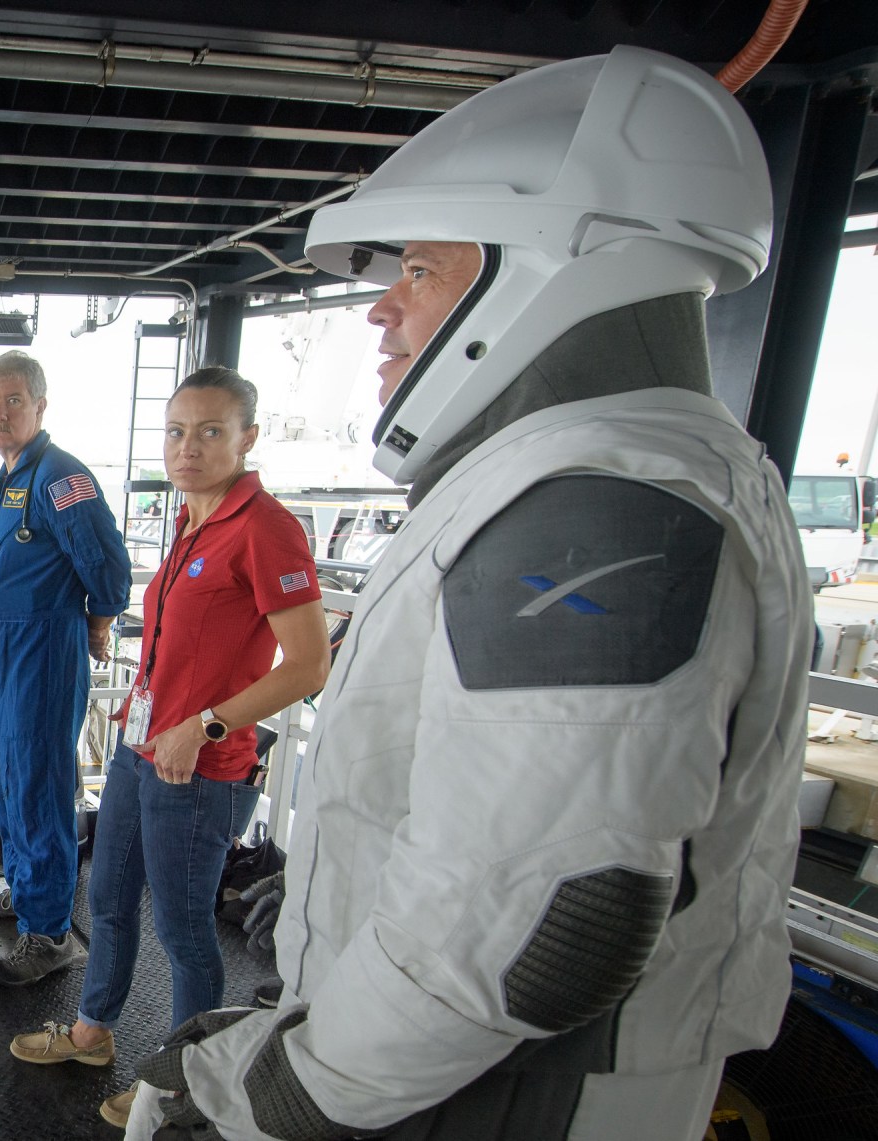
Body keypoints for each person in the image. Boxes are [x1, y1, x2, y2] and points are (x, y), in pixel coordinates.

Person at [125, 47, 807, 1141]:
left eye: (419, 272)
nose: (378, 312)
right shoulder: (602, 476)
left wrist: (281, 1093)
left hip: (497, 1100)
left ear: (544, 272)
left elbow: (544, 919)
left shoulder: (596, 503)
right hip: (456, 1080)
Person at [6, 367, 330, 1129]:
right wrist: (147, 703)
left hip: (201, 768)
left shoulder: (265, 527)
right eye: (177, 431)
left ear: (247, 439)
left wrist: (205, 722)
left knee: (185, 931)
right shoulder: (190, 516)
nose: (189, 447)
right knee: (109, 898)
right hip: (140, 749)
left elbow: (310, 664)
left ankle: (187, 1081)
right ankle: (90, 1032)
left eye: (211, 431)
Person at [0, 350, 133, 986]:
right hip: (3, 651)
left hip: (42, 650)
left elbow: (106, 565)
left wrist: (98, 619)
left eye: (12, 401)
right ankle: (24, 890)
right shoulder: (12, 476)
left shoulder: (61, 477)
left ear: (40, 406)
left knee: (38, 780)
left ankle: (50, 932)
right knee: (10, 774)